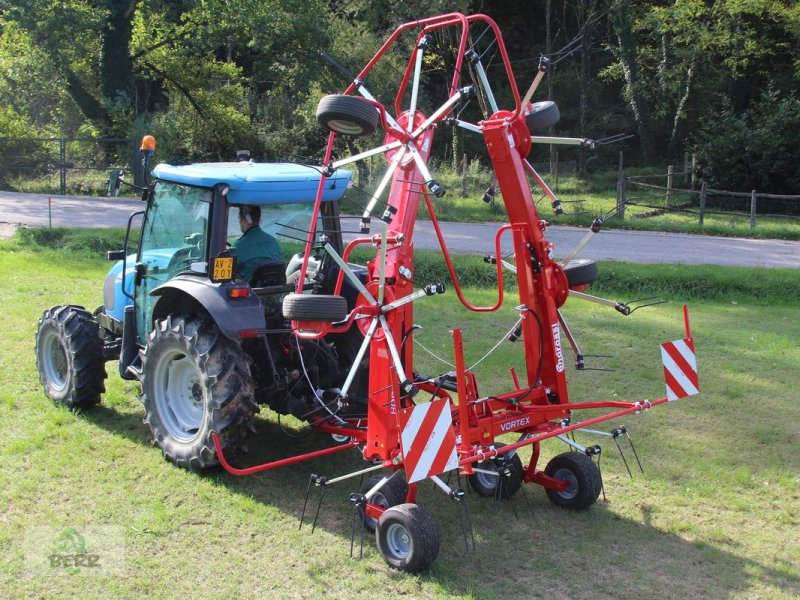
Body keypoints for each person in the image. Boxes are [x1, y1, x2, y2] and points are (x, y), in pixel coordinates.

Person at [232, 205, 281, 279]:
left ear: (244, 220)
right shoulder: (273, 242)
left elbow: (229, 271)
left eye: (239, 218)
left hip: (250, 288)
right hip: (273, 287)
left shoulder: (239, 246)